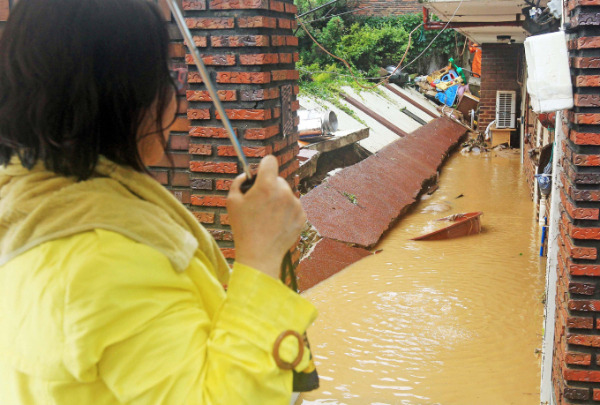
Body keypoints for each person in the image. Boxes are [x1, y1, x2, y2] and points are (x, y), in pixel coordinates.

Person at [0, 0, 316, 404]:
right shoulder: (108, 260)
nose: (175, 94)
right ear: (128, 96)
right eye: (167, 76)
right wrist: (260, 255)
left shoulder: (27, 204)